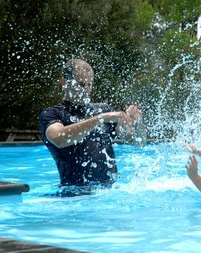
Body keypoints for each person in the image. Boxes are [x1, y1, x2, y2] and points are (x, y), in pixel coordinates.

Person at [39, 58, 147, 187]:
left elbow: (139, 142)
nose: (86, 90)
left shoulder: (102, 109)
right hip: (75, 194)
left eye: (89, 84)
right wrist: (99, 119)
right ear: (64, 82)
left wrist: (137, 122)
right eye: (81, 84)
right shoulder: (53, 114)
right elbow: (59, 138)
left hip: (110, 192)